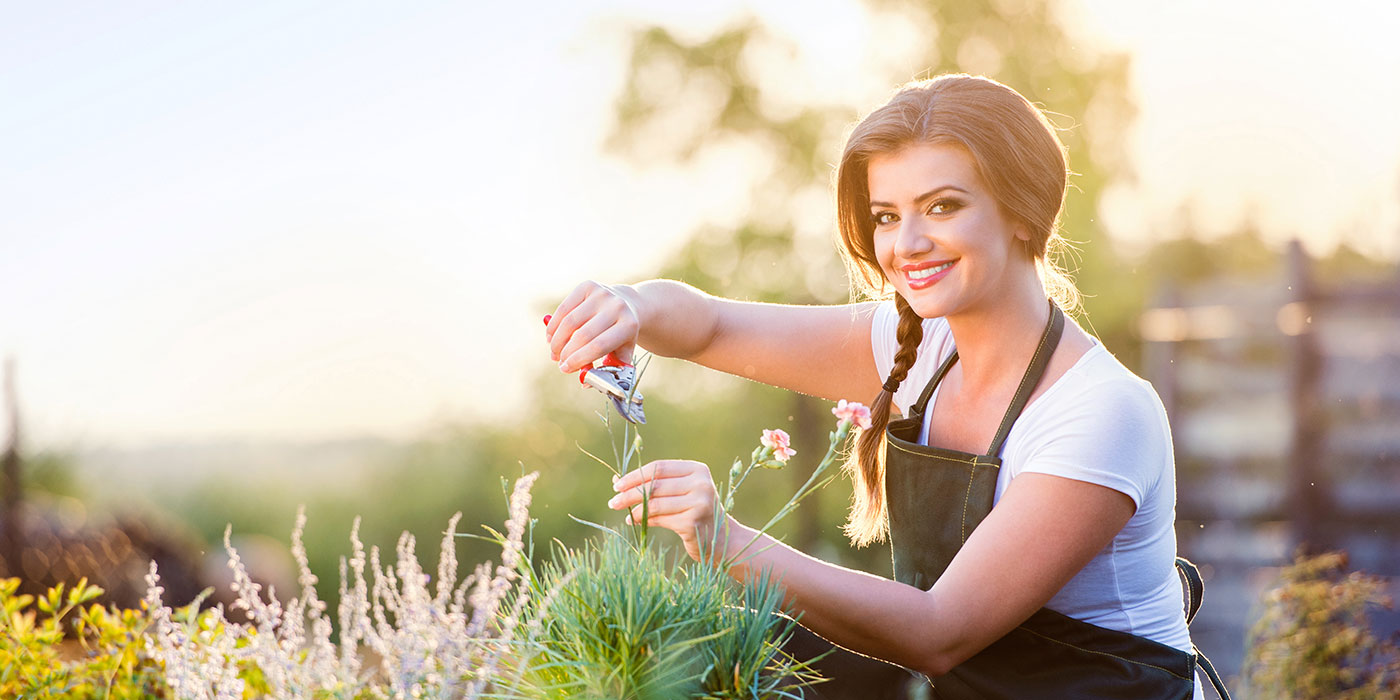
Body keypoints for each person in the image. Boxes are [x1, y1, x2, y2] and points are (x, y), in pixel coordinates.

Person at [544, 74, 1227, 700]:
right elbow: (712, 327)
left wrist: (729, 543)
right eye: (887, 216)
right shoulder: (920, 349)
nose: (908, 243)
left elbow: (940, 631)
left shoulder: (1101, 411)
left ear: (1024, 211)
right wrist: (629, 304)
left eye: (943, 206)